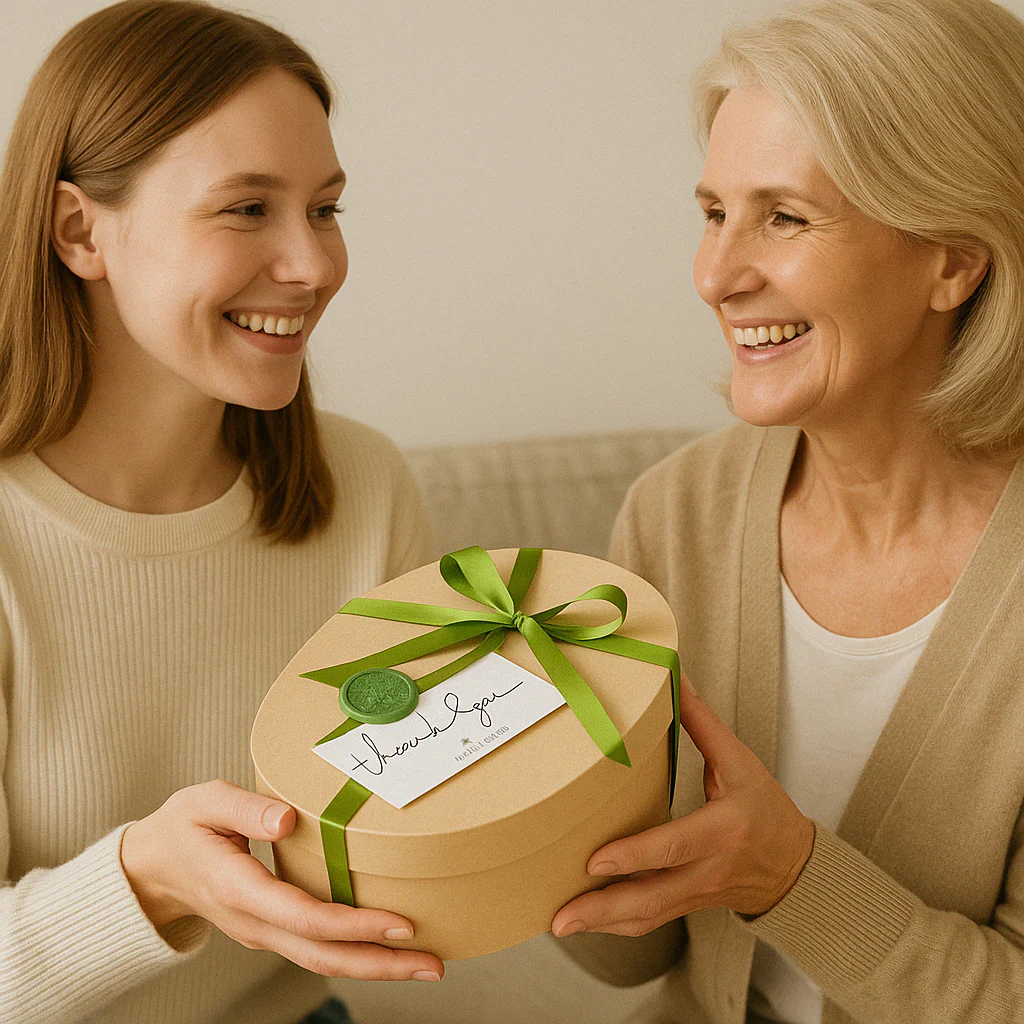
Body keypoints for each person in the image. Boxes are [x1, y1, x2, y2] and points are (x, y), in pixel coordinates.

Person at [550, 0, 1024, 1021]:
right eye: (713, 212)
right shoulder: (675, 513)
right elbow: (637, 960)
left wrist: (790, 876)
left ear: (953, 257)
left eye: (785, 217)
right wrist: (548, 822)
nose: (714, 276)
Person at [0, 2, 447, 1021]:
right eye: (247, 208)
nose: (313, 265)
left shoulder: (364, 486)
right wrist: (150, 877)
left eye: (325, 209)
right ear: (79, 231)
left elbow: (413, 829)